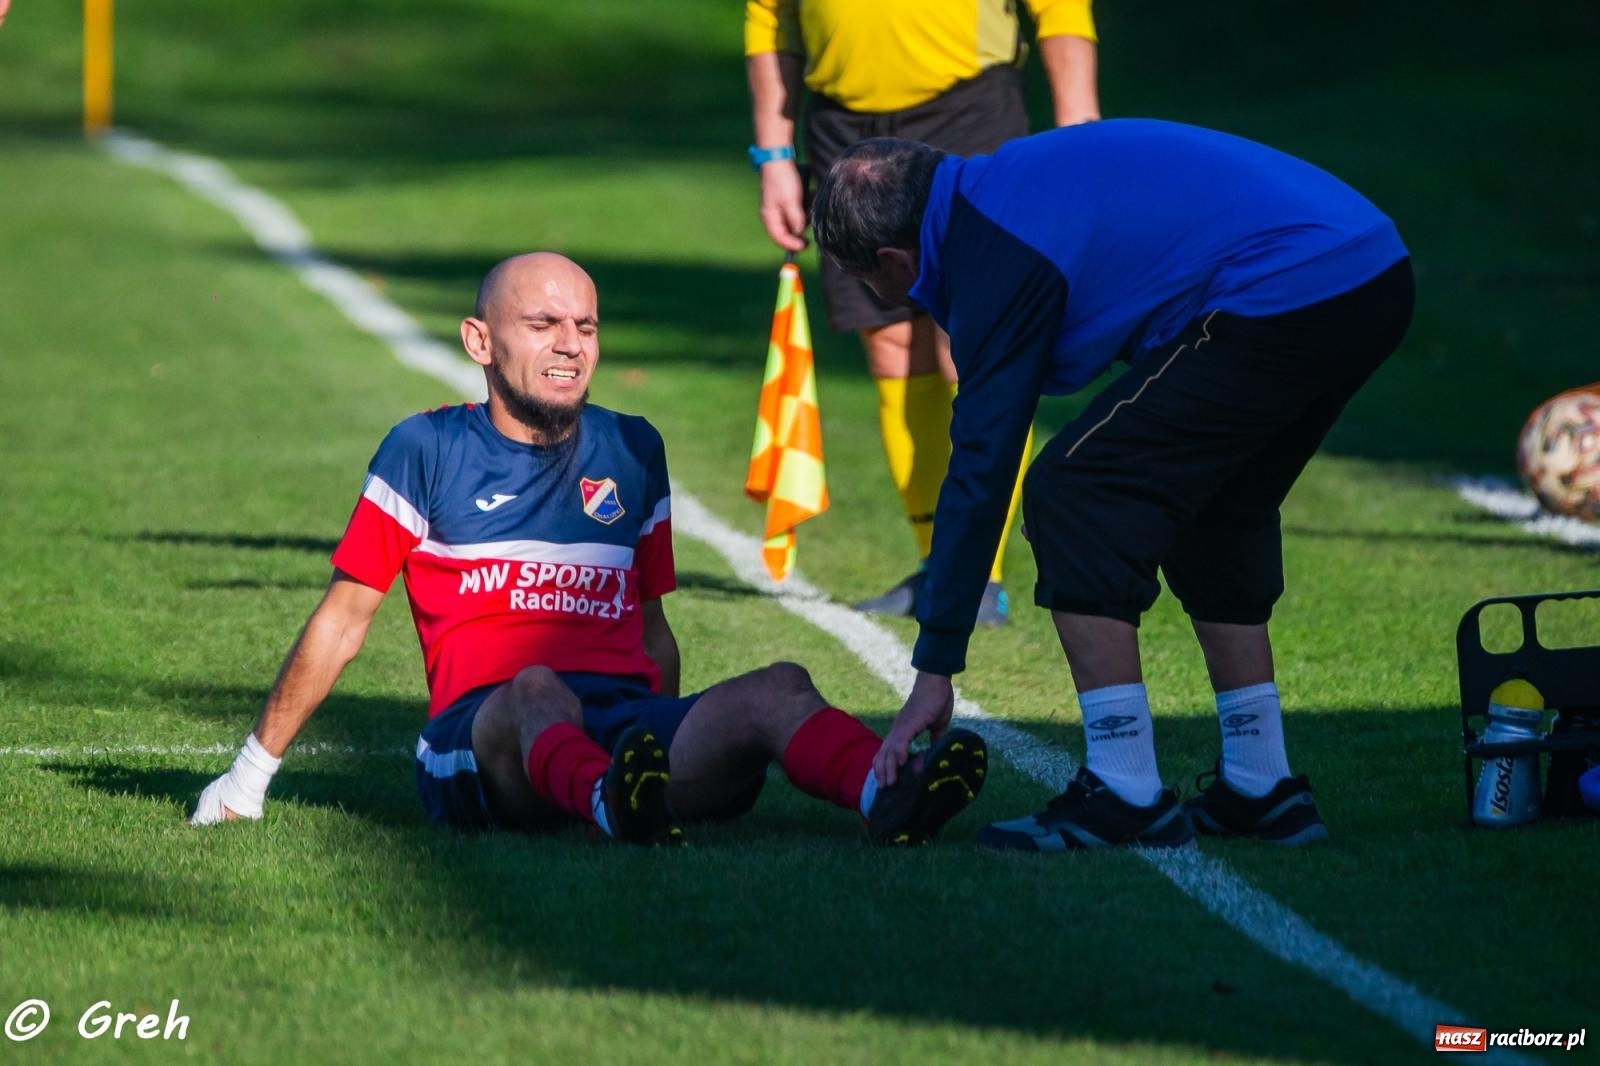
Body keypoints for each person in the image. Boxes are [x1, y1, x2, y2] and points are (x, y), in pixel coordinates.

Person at [190, 252, 988, 847]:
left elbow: (651, 630)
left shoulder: (633, 448)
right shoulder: (423, 448)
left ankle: (888, 795)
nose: (570, 344)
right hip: (482, 737)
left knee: (780, 687)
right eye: (542, 325)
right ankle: (613, 801)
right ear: (480, 340)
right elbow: (342, 620)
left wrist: (669, 733)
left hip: (621, 727)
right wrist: (247, 777)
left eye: (585, 326)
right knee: (539, 687)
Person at [810, 122, 1415, 850]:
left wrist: (936, 666)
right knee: (1218, 506)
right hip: (1369, 270)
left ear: (892, 258)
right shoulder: (994, 192)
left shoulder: (993, 249)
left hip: (1291, 285)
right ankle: (1262, 784)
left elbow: (982, 464)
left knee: (1074, 492)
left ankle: (1122, 789)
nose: (880, 297)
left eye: (867, 282)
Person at [744, 0, 1099, 624]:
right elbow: (770, 18)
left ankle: (978, 573)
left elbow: (1059, 9)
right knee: (887, 341)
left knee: (968, 346)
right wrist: (774, 156)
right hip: (841, 125)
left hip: (965, 112)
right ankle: (941, 562)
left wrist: (1077, 122)